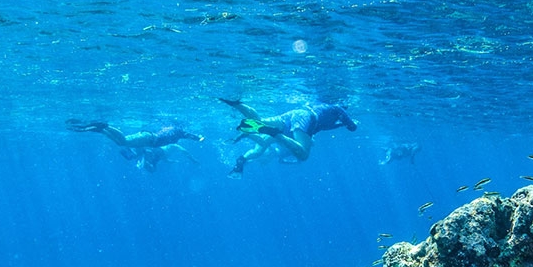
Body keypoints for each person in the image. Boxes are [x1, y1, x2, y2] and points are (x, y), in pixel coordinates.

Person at [220, 99, 357, 177]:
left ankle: (236, 103)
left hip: (293, 114)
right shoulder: (338, 109)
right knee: (303, 154)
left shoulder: (324, 108)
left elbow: (326, 126)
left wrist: (340, 125)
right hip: (306, 118)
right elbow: (352, 127)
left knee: (259, 121)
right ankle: (274, 133)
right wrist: (351, 123)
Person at [66, 120, 204, 171]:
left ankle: (101, 129)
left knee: (121, 142)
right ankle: (105, 126)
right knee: (124, 141)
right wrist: (200, 139)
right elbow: (191, 136)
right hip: (148, 139)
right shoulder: (180, 133)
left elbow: (189, 137)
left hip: (148, 139)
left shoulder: (174, 131)